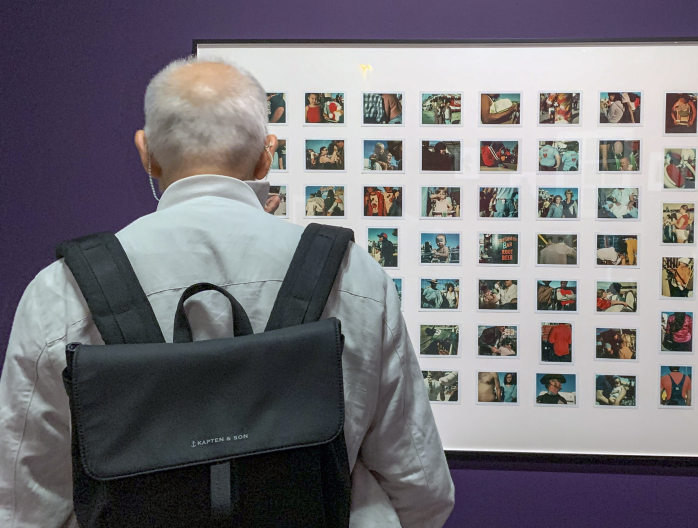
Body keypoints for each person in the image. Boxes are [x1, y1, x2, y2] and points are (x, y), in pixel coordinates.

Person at [0, 57, 454, 527]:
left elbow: (23, 505)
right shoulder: (354, 276)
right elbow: (420, 487)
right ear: (266, 155)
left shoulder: (61, 291)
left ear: (146, 152)